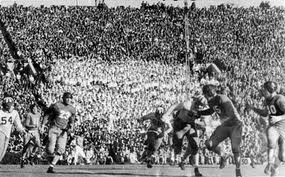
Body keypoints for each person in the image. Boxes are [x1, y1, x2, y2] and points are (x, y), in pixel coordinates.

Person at [197, 84, 243, 177]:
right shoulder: (211, 101)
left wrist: (218, 122)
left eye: (205, 94)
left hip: (235, 125)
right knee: (209, 144)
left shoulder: (222, 98)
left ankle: (238, 171)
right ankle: (223, 155)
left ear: (208, 93)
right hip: (224, 126)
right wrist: (198, 113)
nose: (205, 97)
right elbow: (210, 111)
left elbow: (230, 115)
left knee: (235, 148)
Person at [249, 81, 285, 176]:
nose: (263, 92)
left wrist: (278, 118)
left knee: (283, 157)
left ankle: (274, 167)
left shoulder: (280, 99)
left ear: (271, 90)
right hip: (273, 127)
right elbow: (265, 113)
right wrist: (253, 108)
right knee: (271, 139)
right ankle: (269, 164)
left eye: (265, 90)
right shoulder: (267, 100)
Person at [163, 97, 204, 177]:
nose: (199, 107)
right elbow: (174, 107)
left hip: (190, 125)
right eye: (198, 105)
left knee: (195, 146)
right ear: (195, 102)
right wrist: (166, 114)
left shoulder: (202, 109)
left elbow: (204, 122)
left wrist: (199, 123)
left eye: (201, 106)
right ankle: (178, 159)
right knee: (178, 147)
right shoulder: (187, 104)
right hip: (180, 124)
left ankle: (196, 169)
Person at [41, 92, 76, 173]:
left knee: (61, 150)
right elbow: (47, 114)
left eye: (70, 98)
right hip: (54, 128)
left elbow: (72, 121)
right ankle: (46, 146)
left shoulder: (72, 109)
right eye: (67, 97)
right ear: (63, 98)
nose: (68, 99)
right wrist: (43, 125)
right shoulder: (56, 105)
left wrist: (71, 127)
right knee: (50, 150)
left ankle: (51, 166)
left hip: (63, 131)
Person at [0, 97, 27, 163]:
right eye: (11, 105)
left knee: (4, 150)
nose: (13, 107)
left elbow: (18, 124)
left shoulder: (14, 113)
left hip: (7, 132)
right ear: (7, 106)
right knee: (0, 148)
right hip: (1, 130)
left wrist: (22, 130)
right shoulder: (0, 113)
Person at [21, 104, 42, 168]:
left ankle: (31, 157)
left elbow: (39, 123)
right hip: (29, 132)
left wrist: (40, 128)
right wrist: (32, 126)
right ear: (31, 109)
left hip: (36, 132)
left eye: (35, 108)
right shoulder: (29, 115)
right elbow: (26, 124)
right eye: (33, 109)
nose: (35, 110)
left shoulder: (39, 114)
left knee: (38, 145)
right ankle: (22, 160)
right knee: (25, 146)